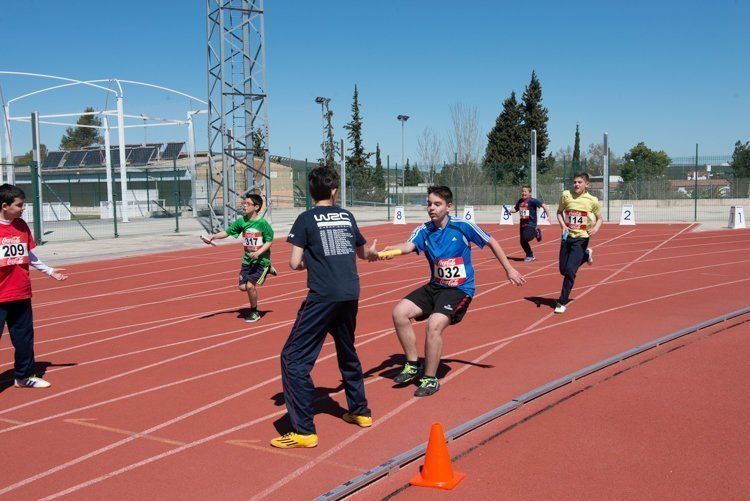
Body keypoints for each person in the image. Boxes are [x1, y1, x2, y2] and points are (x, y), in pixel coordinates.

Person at [271, 167, 379, 449]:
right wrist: (374, 254)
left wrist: (312, 259)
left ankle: (303, 431)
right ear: (334, 192)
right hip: (350, 294)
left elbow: (294, 263)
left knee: (293, 359)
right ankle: (360, 411)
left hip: (322, 297)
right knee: (347, 350)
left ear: (310, 192)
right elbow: (364, 252)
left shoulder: (305, 219)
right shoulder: (346, 216)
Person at [383, 186, 525, 397]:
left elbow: (491, 241)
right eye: (429, 203)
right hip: (435, 286)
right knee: (399, 313)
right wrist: (391, 251)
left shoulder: (462, 226)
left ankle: (430, 379)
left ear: (448, 207)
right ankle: (413, 365)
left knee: (434, 324)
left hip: (459, 289)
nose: (431, 208)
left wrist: (509, 269)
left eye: (437, 204)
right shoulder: (424, 230)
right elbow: (409, 246)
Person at [0, 184, 67, 388]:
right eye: (19, 205)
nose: (23, 208)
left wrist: (49, 271)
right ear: (4, 205)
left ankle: (24, 375)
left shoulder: (21, 225)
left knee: (24, 339)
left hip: (20, 292)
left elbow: (28, 254)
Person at [205, 194, 276, 323]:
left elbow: (269, 241)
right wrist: (212, 237)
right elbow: (227, 233)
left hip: (261, 260)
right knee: (242, 287)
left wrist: (259, 252)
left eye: (248, 204)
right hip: (247, 260)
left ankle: (255, 312)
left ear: (256, 207)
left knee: (250, 287)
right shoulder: (241, 221)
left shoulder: (262, 224)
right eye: (243, 203)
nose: (244, 205)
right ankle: (269, 269)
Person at [554, 172, 602, 314]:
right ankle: (586, 256)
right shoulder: (566, 195)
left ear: (587, 184)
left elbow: (599, 218)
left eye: (580, 182)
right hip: (566, 237)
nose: (576, 184)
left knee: (570, 271)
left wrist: (596, 228)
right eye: (575, 182)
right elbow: (559, 212)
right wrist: (563, 225)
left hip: (581, 238)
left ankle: (562, 301)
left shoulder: (592, 200)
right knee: (563, 270)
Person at [507, 185, 550, 261]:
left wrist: (548, 215)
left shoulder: (532, 201)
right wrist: (510, 210)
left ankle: (536, 232)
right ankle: (530, 255)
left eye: (525, 191)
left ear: (530, 193)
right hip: (522, 224)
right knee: (522, 241)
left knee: (527, 237)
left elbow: (543, 205)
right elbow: (515, 209)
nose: (523, 193)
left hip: (531, 223)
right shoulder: (520, 201)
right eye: (522, 191)